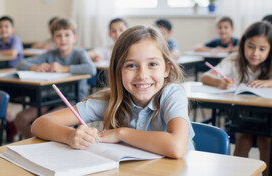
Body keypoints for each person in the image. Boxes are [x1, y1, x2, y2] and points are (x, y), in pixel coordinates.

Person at [31, 25, 194, 159]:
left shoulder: (172, 93)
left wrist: (120, 133)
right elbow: (40, 124)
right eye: (131, 65)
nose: (142, 75)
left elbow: (176, 146)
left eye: (152, 64)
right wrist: (70, 136)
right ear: (118, 71)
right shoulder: (109, 98)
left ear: (166, 69)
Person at [201, 21, 272, 176]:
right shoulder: (235, 59)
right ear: (243, 44)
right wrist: (219, 82)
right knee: (242, 140)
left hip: (268, 117)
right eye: (250, 46)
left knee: (266, 142)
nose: (255, 53)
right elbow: (205, 77)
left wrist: (268, 82)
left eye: (262, 49)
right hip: (242, 115)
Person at [15, 17, 96, 139]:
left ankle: (40, 145)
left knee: (44, 123)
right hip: (49, 99)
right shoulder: (50, 54)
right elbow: (20, 64)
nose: (63, 39)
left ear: (74, 37)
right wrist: (35, 67)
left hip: (72, 101)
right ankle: (35, 145)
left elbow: (91, 69)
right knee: (20, 118)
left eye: (67, 35)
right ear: (53, 39)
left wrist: (64, 68)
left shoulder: (80, 54)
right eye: (58, 36)